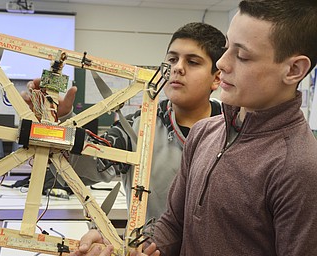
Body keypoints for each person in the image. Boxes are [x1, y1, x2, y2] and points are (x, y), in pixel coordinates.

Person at [74, 0, 317, 255]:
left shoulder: (300, 167)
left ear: (293, 69)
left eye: (242, 55)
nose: (222, 64)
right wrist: (129, 249)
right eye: (226, 48)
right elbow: (173, 225)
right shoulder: (205, 133)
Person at [23, 22, 226, 221]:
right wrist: (56, 122)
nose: (177, 68)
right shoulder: (138, 126)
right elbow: (85, 169)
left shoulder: (236, 128)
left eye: (193, 62)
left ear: (217, 78)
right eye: (172, 59)